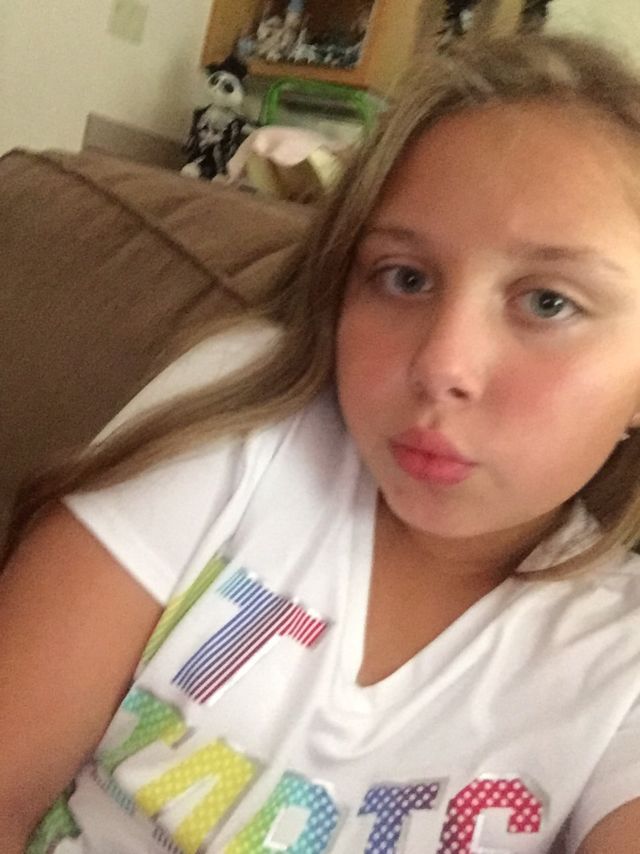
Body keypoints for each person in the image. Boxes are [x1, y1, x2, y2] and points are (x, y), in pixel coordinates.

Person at [3, 31, 640, 854]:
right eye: (404, 278)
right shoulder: (243, 420)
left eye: (548, 302)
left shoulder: (618, 666)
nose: (441, 365)